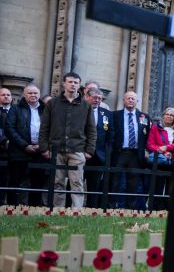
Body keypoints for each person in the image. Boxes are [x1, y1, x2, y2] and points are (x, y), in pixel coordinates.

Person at [38, 72, 96, 208]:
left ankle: (77, 211)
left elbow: (91, 130)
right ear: (64, 83)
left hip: (77, 149)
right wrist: (44, 148)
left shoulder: (85, 106)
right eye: (70, 82)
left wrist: (89, 150)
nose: (73, 85)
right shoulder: (53, 104)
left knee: (77, 183)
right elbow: (44, 127)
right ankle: (58, 210)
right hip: (56, 149)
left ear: (79, 85)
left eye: (76, 82)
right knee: (58, 182)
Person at [5, 84, 46, 205]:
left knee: (37, 183)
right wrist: (24, 145)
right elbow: (9, 128)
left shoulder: (45, 110)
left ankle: (35, 209)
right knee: (15, 181)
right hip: (19, 151)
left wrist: (41, 145)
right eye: (30, 93)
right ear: (24, 95)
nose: (33, 95)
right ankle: (12, 208)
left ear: (39, 94)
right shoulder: (15, 109)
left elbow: (51, 129)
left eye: (35, 93)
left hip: (39, 152)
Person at [110, 91, 150, 210]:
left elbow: (147, 135)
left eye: (133, 99)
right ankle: (112, 206)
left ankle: (130, 208)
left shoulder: (144, 117)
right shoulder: (115, 115)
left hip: (135, 154)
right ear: (124, 100)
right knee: (115, 180)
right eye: (128, 98)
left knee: (133, 182)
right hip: (119, 152)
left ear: (137, 101)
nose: (131, 100)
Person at [83, 87, 112, 207]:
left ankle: (91, 209)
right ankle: (72, 208)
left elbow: (110, 134)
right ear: (87, 97)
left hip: (99, 155)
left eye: (99, 98)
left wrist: (107, 152)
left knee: (94, 185)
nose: (97, 100)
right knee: (76, 182)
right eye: (94, 97)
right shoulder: (80, 110)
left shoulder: (106, 114)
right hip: (82, 153)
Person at [146, 107, 174, 208]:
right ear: (163, 116)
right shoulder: (155, 128)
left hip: (173, 161)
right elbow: (150, 144)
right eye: (167, 114)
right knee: (157, 185)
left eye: (172, 115)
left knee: (171, 186)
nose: (169, 117)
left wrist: (168, 149)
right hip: (159, 160)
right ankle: (155, 207)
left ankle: (168, 208)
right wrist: (162, 152)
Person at [0, 87, 14, 205]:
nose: (6, 96)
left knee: (8, 179)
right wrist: (3, 141)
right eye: (3, 95)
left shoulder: (16, 111)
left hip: (13, 151)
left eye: (8, 95)